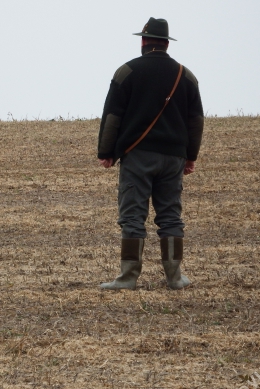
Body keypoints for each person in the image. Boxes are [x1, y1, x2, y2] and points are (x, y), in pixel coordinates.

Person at [97, 17, 204, 291]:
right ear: (167, 44)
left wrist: (106, 152)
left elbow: (112, 116)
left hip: (139, 156)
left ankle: (128, 277)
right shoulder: (186, 75)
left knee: (133, 215)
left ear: (143, 41)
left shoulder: (127, 71)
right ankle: (175, 277)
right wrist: (190, 155)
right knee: (170, 216)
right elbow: (196, 120)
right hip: (174, 158)